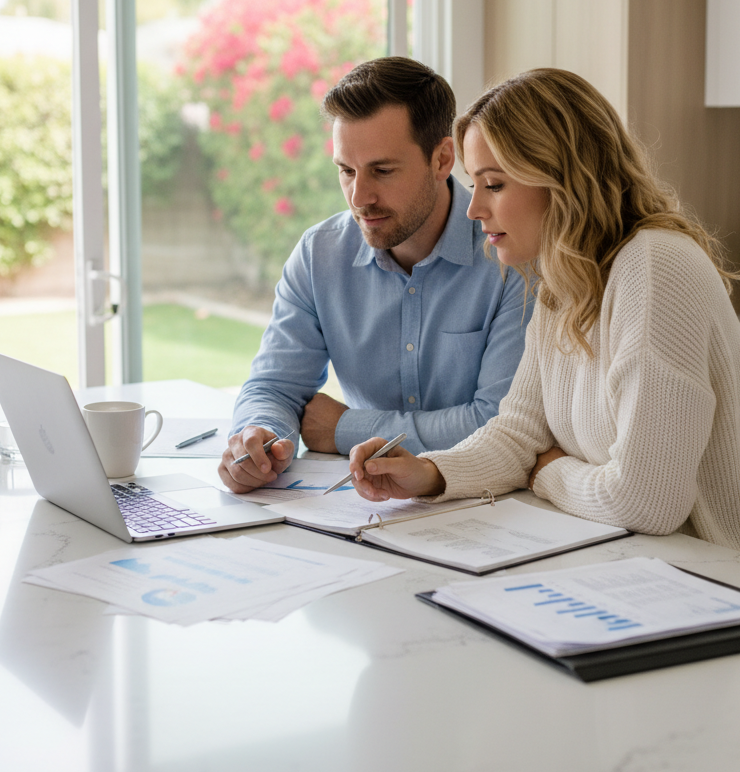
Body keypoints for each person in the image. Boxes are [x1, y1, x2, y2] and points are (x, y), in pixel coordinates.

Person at [348, 68, 740, 570]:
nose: (474, 208)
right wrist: (430, 473)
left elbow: (646, 502)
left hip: (736, 585)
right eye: (474, 185)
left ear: (560, 178)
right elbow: (519, 434)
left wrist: (548, 473)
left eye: (494, 184)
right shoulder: (564, 283)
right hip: (644, 570)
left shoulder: (654, 267)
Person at [218, 57, 532, 493]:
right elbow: (274, 386)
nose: (359, 197)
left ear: (442, 160)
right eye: (346, 171)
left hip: (490, 506)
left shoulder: (510, 254)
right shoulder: (318, 255)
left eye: (382, 171)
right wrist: (260, 438)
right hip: (366, 510)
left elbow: (499, 423)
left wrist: (345, 426)